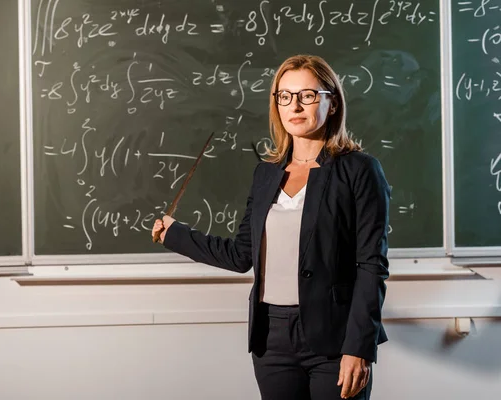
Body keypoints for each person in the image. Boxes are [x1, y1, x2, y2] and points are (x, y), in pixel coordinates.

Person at [152, 54, 390, 400]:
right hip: (272, 340)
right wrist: (175, 234)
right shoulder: (266, 173)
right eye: (285, 95)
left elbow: (372, 264)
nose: (295, 105)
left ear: (332, 102)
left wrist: (360, 348)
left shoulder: (359, 170)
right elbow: (241, 255)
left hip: (335, 339)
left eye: (308, 95)